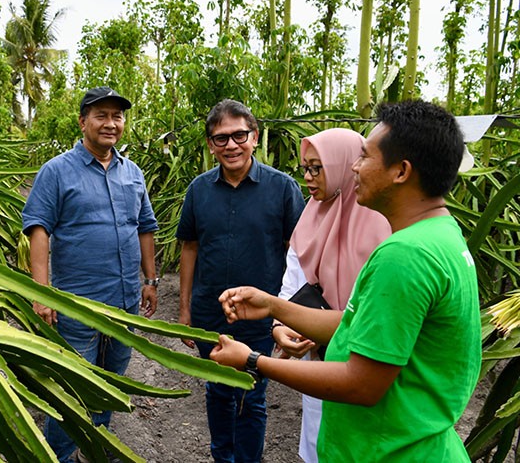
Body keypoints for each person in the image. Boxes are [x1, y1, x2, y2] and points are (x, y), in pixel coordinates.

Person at [210, 100, 481, 461]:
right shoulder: (441, 234)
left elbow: (362, 383)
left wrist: (252, 361)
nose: (354, 165)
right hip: (410, 439)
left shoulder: (404, 255)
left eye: (365, 156)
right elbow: (358, 323)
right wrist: (274, 305)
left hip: (391, 450)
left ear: (401, 171)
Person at [22, 86, 159, 463]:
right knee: (72, 386)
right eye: (101, 115)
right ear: (83, 122)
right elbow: (38, 229)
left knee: (110, 382)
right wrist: (41, 293)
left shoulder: (132, 173)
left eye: (117, 116)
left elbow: (145, 226)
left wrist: (150, 280)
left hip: (126, 299)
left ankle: (96, 449)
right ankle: (61, 456)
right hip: (75, 304)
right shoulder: (57, 171)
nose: (110, 123)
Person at [177, 99, 305, 462]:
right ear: (210, 145)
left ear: (255, 137)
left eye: (239, 135)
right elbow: (190, 248)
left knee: (253, 393)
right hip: (209, 312)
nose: (231, 145)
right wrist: (185, 311)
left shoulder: (282, 188)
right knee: (217, 390)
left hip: (261, 316)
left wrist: (289, 314)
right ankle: (222, 457)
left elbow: (295, 253)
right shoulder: (198, 190)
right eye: (221, 138)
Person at [274, 128, 391, 463]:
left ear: (344, 165)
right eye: (305, 169)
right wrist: (280, 327)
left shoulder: (385, 226)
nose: (308, 178)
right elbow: (291, 288)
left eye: (317, 168)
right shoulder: (309, 218)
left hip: (370, 363)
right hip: (320, 361)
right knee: (319, 444)